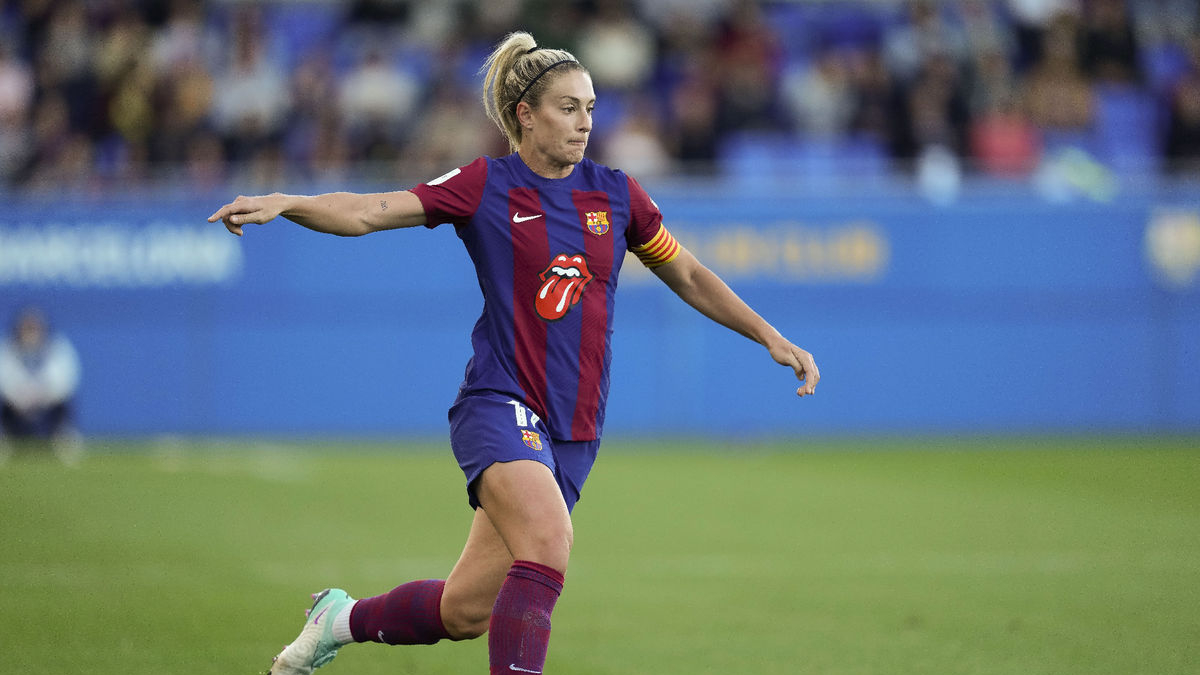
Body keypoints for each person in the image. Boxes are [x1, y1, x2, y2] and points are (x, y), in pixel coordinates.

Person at [208, 31, 819, 675]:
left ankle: (339, 619)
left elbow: (689, 274)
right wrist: (293, 201)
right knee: (550, 541)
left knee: (465, 613)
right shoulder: (484, 185)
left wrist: (770, 336)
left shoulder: (618, 195)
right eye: (567, 107)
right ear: (525, 114)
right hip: (501, 402)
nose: (585, 122)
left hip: (574, 428)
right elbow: (370, 210)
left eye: (590, 107)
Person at [0, 307, 84, 464]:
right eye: (27, 328)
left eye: (34, 328)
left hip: (48, 404)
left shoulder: (57, 346)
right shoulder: (7, 348)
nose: (31, 333)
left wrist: (43, 395)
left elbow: (66, 381)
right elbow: (4, 381)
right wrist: (20, 397)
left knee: (64, 407)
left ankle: (64, 440)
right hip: (16, 406)